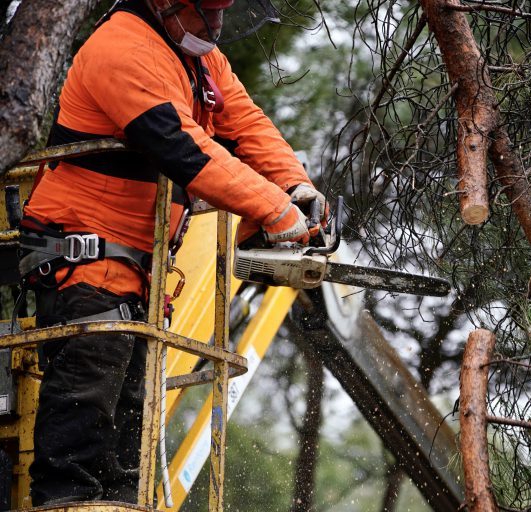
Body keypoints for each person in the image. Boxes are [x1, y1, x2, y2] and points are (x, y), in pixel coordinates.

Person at [17, 0, 326, 505]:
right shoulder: (121, 48)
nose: (217, 24)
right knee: (87, 407)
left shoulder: (199, 59)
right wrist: (273, 208)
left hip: (135, 269)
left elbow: (246, 125)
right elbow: (182, 147)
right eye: (206, 10)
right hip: (83, 255)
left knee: (130, 427)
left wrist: (295, 186)